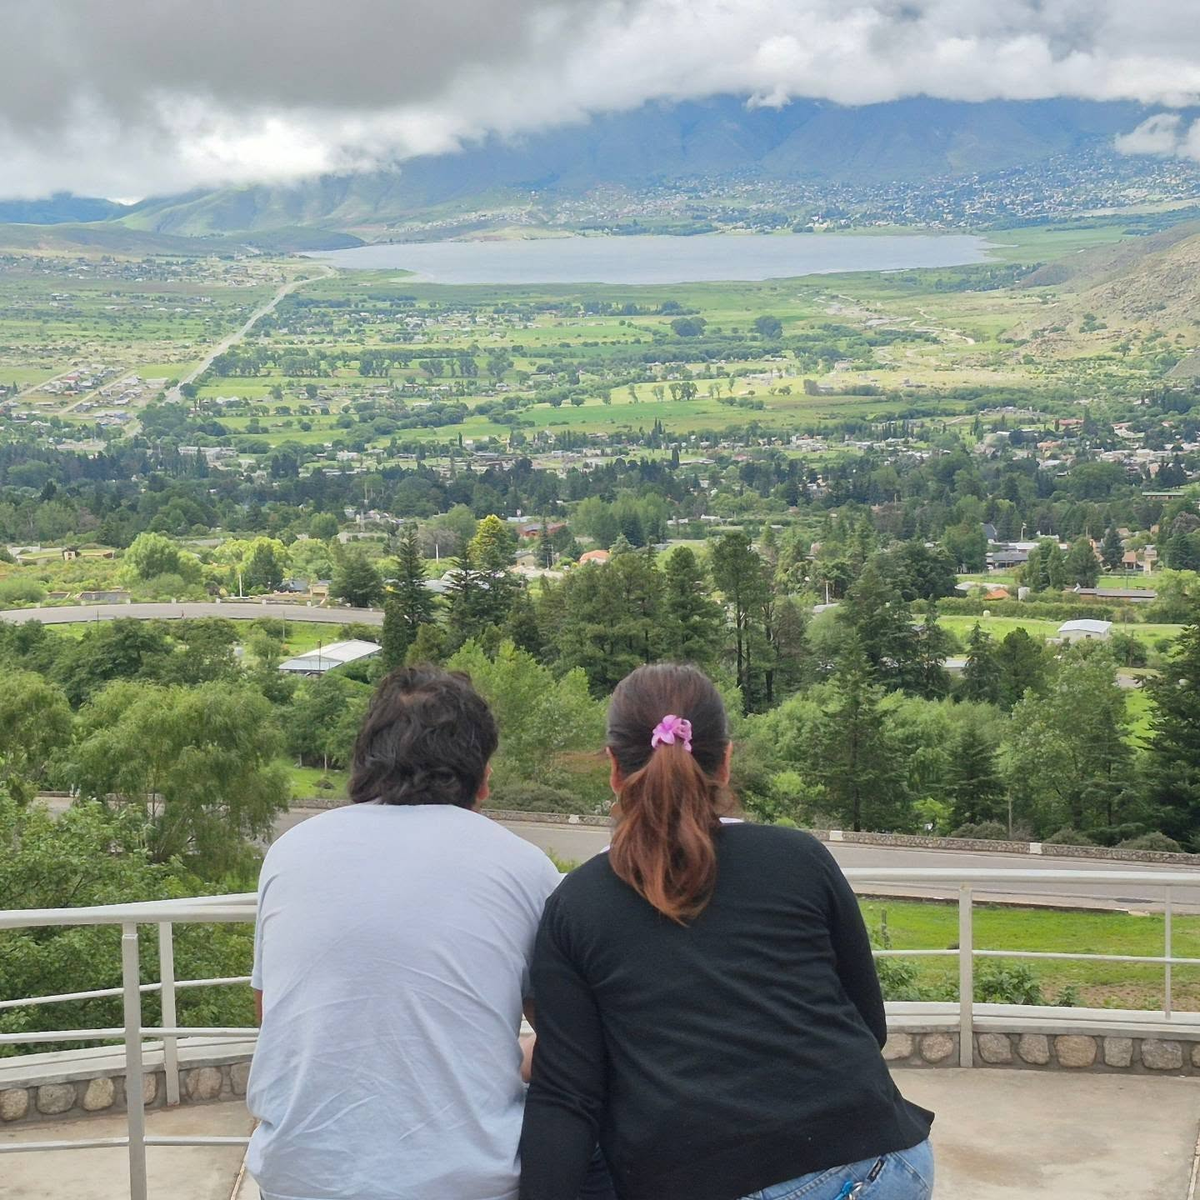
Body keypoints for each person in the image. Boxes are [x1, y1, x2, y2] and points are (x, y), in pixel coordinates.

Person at [519, 663, 934, 1200]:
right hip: (882, 1162)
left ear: (615, 769)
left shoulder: (574, 906)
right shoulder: (799, 857)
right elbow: (867, 1026)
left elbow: (568, 1098)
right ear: (727, 762)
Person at [246, 666, 569, 1200]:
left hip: (302, 1178)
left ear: (366, 758)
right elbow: (566, 1039)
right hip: (466, 1183)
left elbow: (271, 1014)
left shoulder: (290, 852)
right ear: (482, 773)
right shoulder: (526, 868)